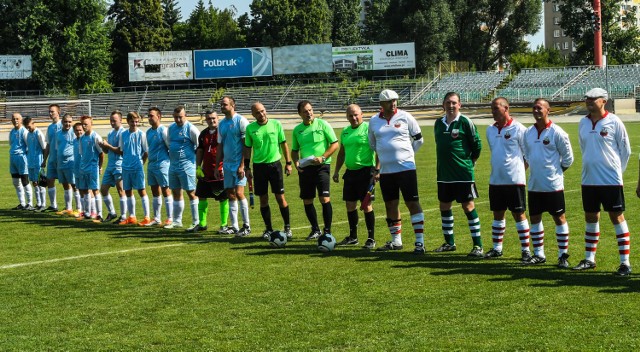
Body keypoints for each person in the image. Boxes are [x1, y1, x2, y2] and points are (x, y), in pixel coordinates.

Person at [574, 88, 632, 276]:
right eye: (587, 99)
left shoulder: (614, 121)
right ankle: (589, 259)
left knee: (616, 217)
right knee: (591, 217)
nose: (589, 102)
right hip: (588, 180)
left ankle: (625, 263)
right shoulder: (583, 123)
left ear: (603, 101)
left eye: (593, 99)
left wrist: (617, 172)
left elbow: (626, 151)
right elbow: (584, 149)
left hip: (610, 181)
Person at [368, 90, 425, 253]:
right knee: (390, 204)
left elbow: (419, 139)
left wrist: (408, 155)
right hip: (386, 172)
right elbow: (372, 144)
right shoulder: (373, 121)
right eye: (389, 101)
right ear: (381, 104)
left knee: (412, 203)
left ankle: (419, 242)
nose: (393, 103)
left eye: (395, 100)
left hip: (406, 169)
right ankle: (396, 241)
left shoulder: (406, 116)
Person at [522, 98, 574, 267]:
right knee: (535, 218)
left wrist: (555, 172)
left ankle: (562, 256)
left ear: (548, 110)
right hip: (534, 185)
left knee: (559, 218)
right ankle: (539, 254)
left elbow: (568, 159)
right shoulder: (528, 133)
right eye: (534, 108)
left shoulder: (557, 132)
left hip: (553, 185)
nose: (536, 111)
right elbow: (527, 155)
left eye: (540, 108)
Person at [434, 91, 484, 257]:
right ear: (443, 105)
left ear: (459, 105)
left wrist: (470, 162)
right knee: (444, 205)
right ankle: (449, 243)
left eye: (454, 103)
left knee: (468, 206)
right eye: (448, 102)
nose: (451, 105)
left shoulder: (465, 122)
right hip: (444, 175)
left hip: (463, 174)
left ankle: (478, 246)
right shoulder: (438, 124)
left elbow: (477, 145)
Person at [484, 97, 532, 261]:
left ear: (506, 108)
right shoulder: (490, 130)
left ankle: (526, 250)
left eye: (496, 108)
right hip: (496, 180)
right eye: (492, 108)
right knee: (498, 215)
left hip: (514, 181)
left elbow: (528, 155)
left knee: (519, 214)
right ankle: (497, 248)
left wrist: (518, 171)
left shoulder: (519, 129)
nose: (493, 111)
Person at [291, 100, 339, 240]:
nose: (309, 113)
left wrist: (323, 157)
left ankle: (328, 231)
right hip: (306, 169)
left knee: (324, 198)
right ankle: (315, 229)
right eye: (305, 111)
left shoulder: (323, 124)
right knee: (307, 200)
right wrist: (296, 163)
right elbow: (294, 151)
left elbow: (335, 144)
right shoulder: (297, 130)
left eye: (310, 110)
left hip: (322, 167)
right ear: (299, 113)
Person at [245, 102, 293, 240]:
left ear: (265, 110)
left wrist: (288, 163)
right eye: (257, 112)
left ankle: (287, 227)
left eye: (262, 111)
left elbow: (284, 144)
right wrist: (247, 167)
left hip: (275, 166)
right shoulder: (250, 129)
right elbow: (247, 149)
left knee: (280, 197)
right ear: (253, 115)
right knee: (263, 199)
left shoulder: (276, 124)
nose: (261, 114)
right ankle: (268, 229)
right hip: (259, 167)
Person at [332, 104, 377, 250]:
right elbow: (342, 153)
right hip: (350, 173)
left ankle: (371, 238)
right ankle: (353, 237)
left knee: (366, 205)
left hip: (366, 172)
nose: (353, 118)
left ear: (362, 114)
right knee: (350, 205)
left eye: (356, 114)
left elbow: (378, 149)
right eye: (350, 115)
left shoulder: (369, 129)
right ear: (347, 117)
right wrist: (337, 171)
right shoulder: (345, 131)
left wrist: (377, 170)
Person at [101, 112, 151, 225]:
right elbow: (122, 151)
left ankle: (147, 217)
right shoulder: (124, 135)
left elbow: (146, 152)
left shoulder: (141, 134)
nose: (134, 123)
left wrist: (141, 163)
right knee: (128, 191)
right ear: (128, 122)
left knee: (141, 190)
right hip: (125, 167)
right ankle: (132, 217)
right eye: (132, 121)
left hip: (137, 167)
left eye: (136, 121)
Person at [214, 97, 251, 236]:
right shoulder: (222, 124)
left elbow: (246, 145)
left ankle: (246, 226)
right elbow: (220, 146)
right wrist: (218, 166)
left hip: (238, 165)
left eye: (224, 104)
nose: (222, 106)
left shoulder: (241, 121)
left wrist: (242, 165)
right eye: (221, 105)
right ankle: (235, 226)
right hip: (227, 165)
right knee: (230, 194)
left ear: (233, 105)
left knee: (240, 193)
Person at [189, 110, 230, 233]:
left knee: (223, 198)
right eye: (208, 119)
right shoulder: (203, 134)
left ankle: (224, 225)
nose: (211, 121)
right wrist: (198, 167)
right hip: (206, 171)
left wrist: (224, 166)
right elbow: (200, 150)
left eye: (213, 118)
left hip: (220, 170)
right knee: (201, 196)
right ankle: (202, 224)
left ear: (218, 118)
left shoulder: (222, 132)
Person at [165, 106, 200, 230]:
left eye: (180, 117)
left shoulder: (191, 129)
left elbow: (199, 145)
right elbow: (169, 143)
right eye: (176, 117)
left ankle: (196, 221)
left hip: (187, 166)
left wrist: (194, 160)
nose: (178, 119)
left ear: (186, 116)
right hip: (173, 165)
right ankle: (177, 221)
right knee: (175, 192)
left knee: (191, 192)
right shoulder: (171, 128)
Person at [145, 107, 173, 227]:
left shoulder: (163, 130)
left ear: (159, 116)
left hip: (162, 164)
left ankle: (170, 218)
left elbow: (170, 147)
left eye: (152, 115)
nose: (150, 118)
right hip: (151, 164)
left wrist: (168, 162)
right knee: (154, 191)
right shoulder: (148, 132)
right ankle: (157, 218)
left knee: (166, 190)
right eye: (149, 116)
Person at [99, 110, 126, 223]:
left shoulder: (123, 133)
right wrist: (102, 146)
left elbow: (121, 151)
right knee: (103, 189)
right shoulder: (110, 133)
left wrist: (108, 145)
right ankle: (112, 212)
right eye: (111, 120)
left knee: (121, 190)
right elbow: (107, 151)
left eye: (114, 120)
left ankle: (123, 216)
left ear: (120, 120)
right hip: (110, 165)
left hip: (119, 165)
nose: (112, 123)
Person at [76, 116, 104, 221]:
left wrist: (100, 167)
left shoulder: (95, 137)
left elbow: (101, 154)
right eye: (82, 124)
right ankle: (86, 213)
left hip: (93, 168)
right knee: (84, 190)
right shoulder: (82, 138)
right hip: (83, 168)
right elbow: (82, 154)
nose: (84, 126)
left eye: (86, 124)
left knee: (95, 190)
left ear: (91, 124)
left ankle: (99, 214)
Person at [55, 114, 81, 216]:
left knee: (75, 185)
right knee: (65, 185)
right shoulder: (58, 133)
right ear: (62, 122)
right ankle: (68, 208)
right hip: (61, 162)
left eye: (70, 122)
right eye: (66, 122)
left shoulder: (74, 133)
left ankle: (79, 208)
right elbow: (58, 147)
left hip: (71, 162)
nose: (68, 124)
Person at [8, 112, 33, 210]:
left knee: (25, 181)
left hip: (22, 158)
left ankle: (30, 203)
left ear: (21, 120)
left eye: (17, 119)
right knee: (16, 182)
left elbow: (28, 146)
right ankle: (22, 203)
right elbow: (11, 143)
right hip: (13, 157)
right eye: (14, 119)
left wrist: (27, 158)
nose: (15, 121)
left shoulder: (24, 131)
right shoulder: (12, 131)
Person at [42, 104, 62, 212]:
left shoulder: (63, 125)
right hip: (52, 158)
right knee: (50, 180)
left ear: (58, 112)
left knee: (66, 183)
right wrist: (45, 159)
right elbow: (48, 145)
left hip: (62, 159)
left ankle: (72, 207)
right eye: (49, 112)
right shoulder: (50, 127)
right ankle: (53, 205)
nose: (50, 114)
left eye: (52, 111)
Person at [23, 117, 46, 211]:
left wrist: (44, 161)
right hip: (30, 161)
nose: (28, 128)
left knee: (41, 183)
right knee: (34, 182)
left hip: (38, 161)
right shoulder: (28, 134)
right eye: (26, 127)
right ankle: (38, 203)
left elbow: (44, 148)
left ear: (33, 123)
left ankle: (43, 204)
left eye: (29, 126)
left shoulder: (38, 133)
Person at [71, 122, 84, 217]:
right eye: (76, 130)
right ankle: (82, 210)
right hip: (76, 167)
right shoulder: (74, 141)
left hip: (85, 168)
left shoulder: (85, 140)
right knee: (79, 189)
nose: (78, 132)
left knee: (88, 190)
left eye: (80, 130)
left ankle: (92, 211)